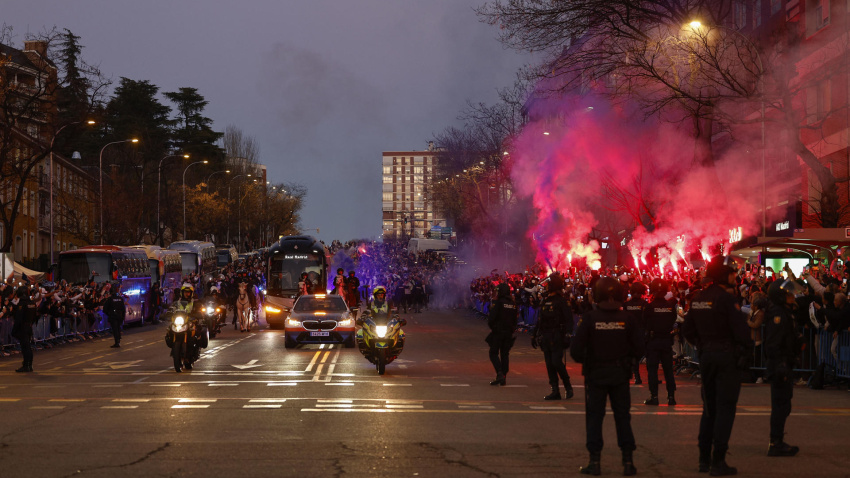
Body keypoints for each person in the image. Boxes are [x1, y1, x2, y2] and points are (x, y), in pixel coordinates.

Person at [682, 255, 754, 475]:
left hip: (706, 357)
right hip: (726, 358)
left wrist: (703, 346)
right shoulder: (726, 299)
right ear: (724, 274)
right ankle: (718, 460)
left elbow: (688, 331)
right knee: (725, 409)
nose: (735, 275)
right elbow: (741, 332)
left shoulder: (698, 298)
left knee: (709, 408)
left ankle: (704, 459)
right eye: (732, 272)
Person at [571, 276, 644, 476]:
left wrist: (589, 358)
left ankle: (595, 462)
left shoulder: (590, 318)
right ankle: (628, 462)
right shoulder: (628, 318)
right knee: (622, 417)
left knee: (595, 417)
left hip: (595, 374)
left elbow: (575, 351)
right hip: (620, 374)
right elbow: (640, 347)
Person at [764, 278, 802, 457]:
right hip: (780, 366)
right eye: (788, 293)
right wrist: (781, 365)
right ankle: (775, 442)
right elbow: (773, 344)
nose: (792, 296)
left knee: (784, 404)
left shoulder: (787, 312)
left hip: (785, 364)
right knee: (780, 405)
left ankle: (777, 440)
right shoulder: (777, 314)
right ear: (780, 296)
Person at [532, 274, 574, 400]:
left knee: (556, 362)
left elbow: (569, 320)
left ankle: (567, 386)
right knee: (549, 364)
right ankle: (555, 390)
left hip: (557, 335)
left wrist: (567, 335)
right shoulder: (545, 300)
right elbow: (540, 320)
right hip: (546, 335)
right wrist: (534, 335)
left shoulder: (561, 301)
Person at [643, 279, 678, 406]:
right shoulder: (670, 306)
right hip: (666, 341)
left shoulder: (649, 306)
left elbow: (645, 323)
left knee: (652, 370)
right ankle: (671, 397)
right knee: (668, 370)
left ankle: (654, 396)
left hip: (653, 341)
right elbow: (673, 319)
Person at [487, 282, 518, 386]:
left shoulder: (498, 302)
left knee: (493, 353)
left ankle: (500, 373)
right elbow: (515, 320)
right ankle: (503, 377)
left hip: (498, 332)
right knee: (505, 354)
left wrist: (493, 328)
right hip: (508, 332)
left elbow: (491, 318)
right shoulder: (513, 303)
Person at [623, 282, 648, 385]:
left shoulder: (626, 305)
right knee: (648, 356)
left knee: (632, 355)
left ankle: (636, 376)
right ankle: (650, 376)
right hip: (642, 332)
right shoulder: (645, 304)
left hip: (629, 333)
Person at [12, 286, 37, 373]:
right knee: (28, 347)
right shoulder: (32, 303)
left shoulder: (22, 304)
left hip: (23, 327)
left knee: (25, 347)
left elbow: (18, 318)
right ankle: (29, 365)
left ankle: (26, 365)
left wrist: (15, 329)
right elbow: (35, 316)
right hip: (29, 326)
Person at [103, 283, 126, 348]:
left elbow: (105, 309)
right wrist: (123, 316)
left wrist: (109, 314)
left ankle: (116, 342)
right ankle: (118, 341)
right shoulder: (120, 299)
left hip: (113, 316)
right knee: (118, 328)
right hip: (120, 315)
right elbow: (123, 308)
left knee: (115, 329)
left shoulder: (110, 299)